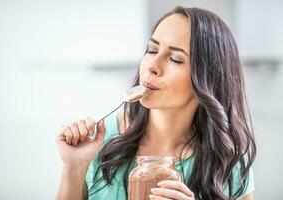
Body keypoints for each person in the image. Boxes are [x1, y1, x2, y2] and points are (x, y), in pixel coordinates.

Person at [56, 6, 256, 200]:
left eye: (176, 59)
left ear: (208, 79)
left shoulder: (228, 162)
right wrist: (73, 169)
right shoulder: (96, 141)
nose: (152, 66)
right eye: (152, 50)